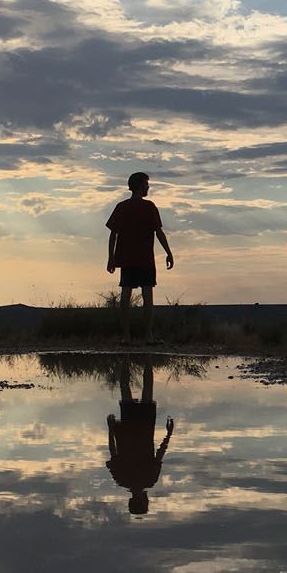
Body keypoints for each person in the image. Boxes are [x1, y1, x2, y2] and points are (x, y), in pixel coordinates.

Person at [106, 171, 174, 344]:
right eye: (146, 185)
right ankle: (148, 336)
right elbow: (159, 232)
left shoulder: (122, 207)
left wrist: (111, 258)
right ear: (139, 186)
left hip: (127, 259)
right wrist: (168, 252)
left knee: (126, 296)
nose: (148, 188)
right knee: (147, 296)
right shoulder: (149, 207)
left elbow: (113, 235)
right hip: (144, 259)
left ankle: (126, 337)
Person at [107, 360, 174, 515]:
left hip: (144, 427)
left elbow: (160, 453)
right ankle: (125, 357)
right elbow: (113, 450)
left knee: (147, 389)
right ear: (130, 501)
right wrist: (111, 429)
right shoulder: (121, 480)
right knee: (125, 388)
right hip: (128, 429)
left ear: (144, 500)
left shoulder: (150, 480)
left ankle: (148, 358)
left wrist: (169, 434)